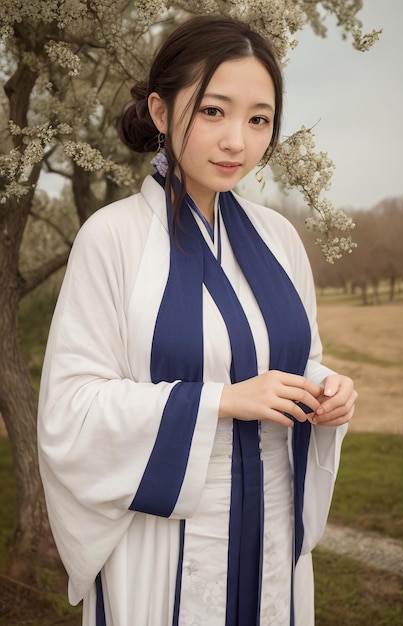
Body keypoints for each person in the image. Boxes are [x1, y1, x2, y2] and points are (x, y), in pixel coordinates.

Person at [38, 15, 357, 626]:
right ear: (161, 111)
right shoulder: (113, 238)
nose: (237, 140)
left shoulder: (280, 239)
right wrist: (218, 403)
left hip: (273, 526)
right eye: (213, 111)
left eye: (258, 118)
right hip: (163, 530)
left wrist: (326, 389)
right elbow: (69, 410)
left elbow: (295, 356)